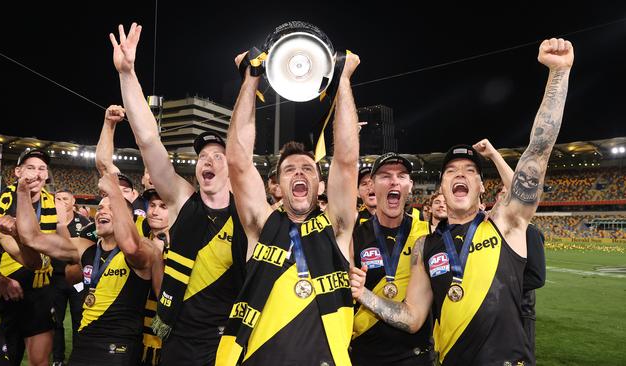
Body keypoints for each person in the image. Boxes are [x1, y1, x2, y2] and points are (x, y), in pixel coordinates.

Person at [350, 38, 573, 365]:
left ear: (481, 186)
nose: (460, 175)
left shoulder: (506, 224)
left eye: (470, 170)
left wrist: (558, 75)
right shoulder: (424, 247)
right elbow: (412, 318)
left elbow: (538, 152)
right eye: (452, 170)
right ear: (441, 187)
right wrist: (364, 295)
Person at [110, 22, 248, 366]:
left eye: (218, 156)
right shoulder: (182, 199)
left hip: (227, 341)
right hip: (179, 339)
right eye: (203, 156)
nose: (209, 161)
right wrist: (128, 74)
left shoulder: (248, 213)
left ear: (232, 168)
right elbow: (148, 140)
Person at [216, 49, 360, 366]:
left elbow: (347, 163)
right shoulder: (262, 225)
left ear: (321, 186)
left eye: (308, 169)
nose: (298, 173)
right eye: (289, 170)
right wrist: (251, 78)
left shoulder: (336, 227)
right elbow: (238, 162)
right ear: (277, 186)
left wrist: (343, 80)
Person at [14, 173, 157, 365]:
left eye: (111, 208)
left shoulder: (144, 248)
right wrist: (22, 192)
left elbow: (130, 246)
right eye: (100, 208)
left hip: (119, 348)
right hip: (83, 345)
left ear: (127, 218)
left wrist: (114, 192)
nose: (101, 212)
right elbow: (31, 237)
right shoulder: (84, 248)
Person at [350, 153, 432, 365]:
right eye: (385, 176)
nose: (394, 180)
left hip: (414, 357)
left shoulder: (426, 236)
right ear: (372, 186)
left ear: (410, 185)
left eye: (401, 175)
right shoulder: (354, 237)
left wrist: (362, 293)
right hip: (364, 356)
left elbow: (414, 320)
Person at [473, 139, 546, 358]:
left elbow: (536, 277)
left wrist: (494, 155)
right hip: (489, 313)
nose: (508, 198)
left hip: (520, 312)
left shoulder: (529, 232)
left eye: (510, 194)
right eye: (504, 194)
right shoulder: (483, 228)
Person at [0, 149, 57, 366]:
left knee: (39, 361)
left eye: (42, 168)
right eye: (30, 167)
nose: (37, 174)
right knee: (4, 359)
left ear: (46, 175)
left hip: (39, 290)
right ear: (18, 171)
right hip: (5, 292)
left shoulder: (56, 205)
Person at [51, 189, 90, 366]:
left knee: (78, 319)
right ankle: (58, 359)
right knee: (56, 320)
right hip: (55, 278)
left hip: (77, 279)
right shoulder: (48, 220)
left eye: (65, 198)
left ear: (73, 201)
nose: (60, 201)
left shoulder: (84, 223)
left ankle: (77, 357)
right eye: (57, 198)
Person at [139, 188, 169, 366]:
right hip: (135, 329)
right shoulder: (139, 240)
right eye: (152, 205)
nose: (155, 211)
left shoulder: (183, 245)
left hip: (164, 334)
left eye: (163, 206)